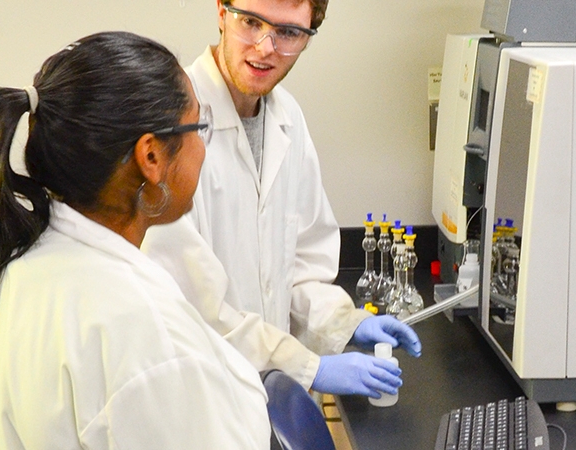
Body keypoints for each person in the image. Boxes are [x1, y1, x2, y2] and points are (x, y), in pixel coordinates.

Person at [0, 32, 270, 448]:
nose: (202, 149)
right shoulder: (145, 331)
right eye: (198, 126)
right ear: (151, 157)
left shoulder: (8, 276)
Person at [144, 0, 421, 396]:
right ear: (222, 13)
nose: (265, 47)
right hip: (199, 396)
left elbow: (302, 266)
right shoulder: (174, 128)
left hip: (270, 396)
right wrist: (309, 366)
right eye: (251, 22)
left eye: (288, 32)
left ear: (308, 36)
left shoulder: (287, 118)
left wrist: (345, 323)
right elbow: (190, 307)